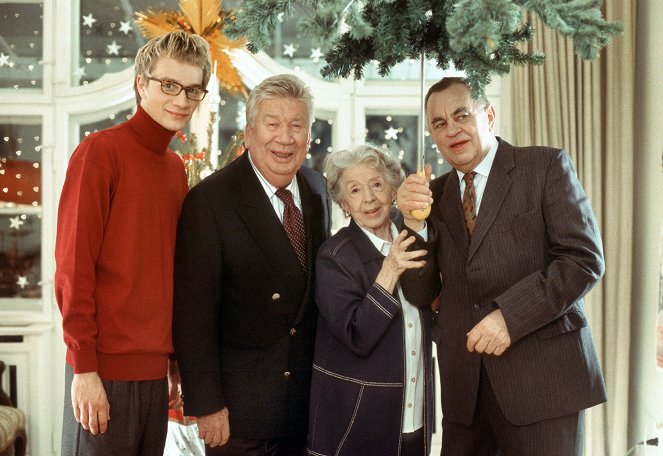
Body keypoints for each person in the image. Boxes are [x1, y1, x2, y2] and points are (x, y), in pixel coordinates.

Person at [396, 77, 606, 456]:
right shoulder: (433, 196)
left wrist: (510, 317)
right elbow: (420, 292)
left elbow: (583, 260)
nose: (452, 129)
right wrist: (413, 226)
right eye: (439, 124)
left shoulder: (545, 166)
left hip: (544, 388)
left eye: (462, 115)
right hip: (465, 396)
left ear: (489, 115)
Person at [54, 31, 212, 455]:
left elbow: (167, 270)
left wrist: (173, 360)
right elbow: (73, 266)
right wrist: (84, 368)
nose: (181, 99)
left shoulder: (175, 169)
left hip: (153, 374)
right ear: (141, 83)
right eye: (168, 85)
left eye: (192, 89)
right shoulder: (100, 152)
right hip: (102, 372)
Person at [172, 73, 331, 456]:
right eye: (272, 124)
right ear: (249, 132)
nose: (285, 137)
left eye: (297, 126)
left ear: (308, 136)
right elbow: (193, 315)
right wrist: (207, 405)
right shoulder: (210, 201)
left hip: (305, 409)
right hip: (238, 416)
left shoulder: (317, 189)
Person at [306, 144, 434, 456]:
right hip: (356, 423)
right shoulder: (334, 256)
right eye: (355, 190)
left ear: (393, 188)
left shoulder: (416, 236)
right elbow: (357, 335)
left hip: (415, 415)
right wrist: (389, 269)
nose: (369, 198)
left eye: (376, 184)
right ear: (343, 203)